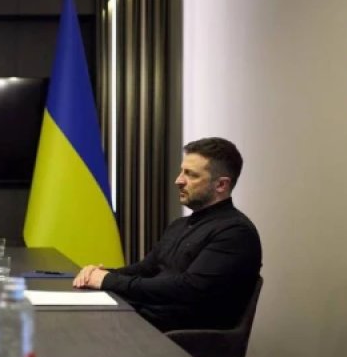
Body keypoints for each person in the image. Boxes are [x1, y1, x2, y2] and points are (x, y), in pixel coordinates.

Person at [73, 137, 262, 332]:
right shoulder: (180, 225)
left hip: (178, 339)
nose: (178, 180)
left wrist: (108, 281)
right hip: (146, 322)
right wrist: (98, 274)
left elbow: (188, 289)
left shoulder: (235, 233)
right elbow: (146, 269)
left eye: (191, 175)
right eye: (182, 171)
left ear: (221, 185)